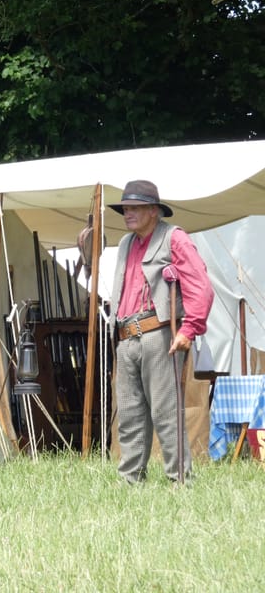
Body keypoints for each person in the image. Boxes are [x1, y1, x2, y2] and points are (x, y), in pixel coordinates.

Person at [109, 181, 214, 484]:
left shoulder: (174, 238)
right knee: (129, 416)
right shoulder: (127, 243)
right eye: (125, 208)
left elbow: (201, 287)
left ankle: (180, 481)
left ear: (153, 211)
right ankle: (130, 482)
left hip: (159, 334)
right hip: (127, 336)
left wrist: (189, 329)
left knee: (167, 414)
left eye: (135, 207)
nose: (127, 213)